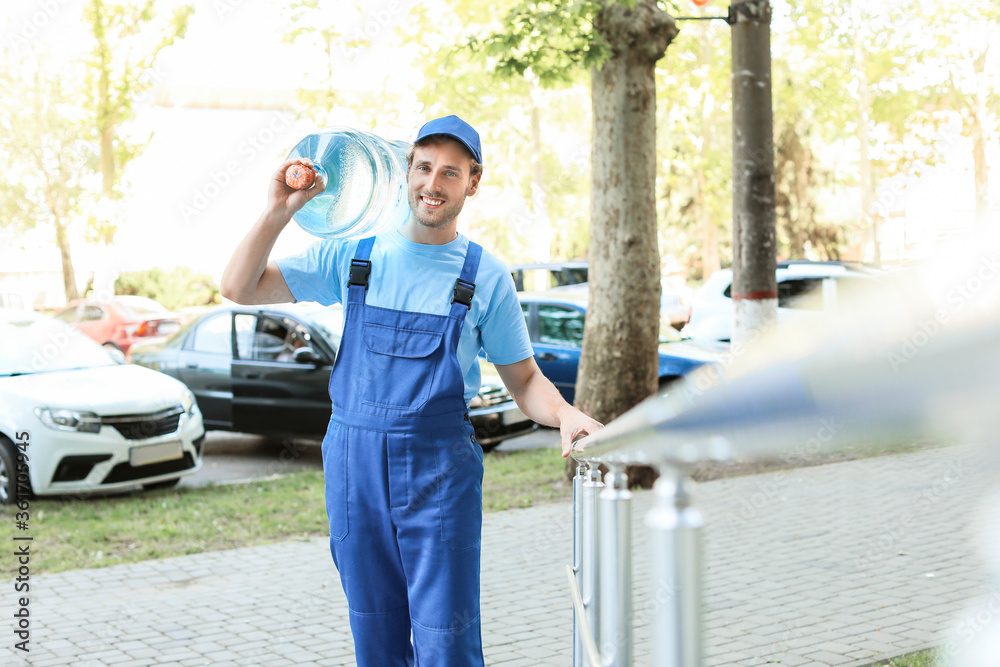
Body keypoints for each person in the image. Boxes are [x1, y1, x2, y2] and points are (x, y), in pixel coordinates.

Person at [220, 114, 602, 666]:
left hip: (438, 475)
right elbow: (238, 286)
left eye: (451, 173)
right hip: (355, 471)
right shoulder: (354, 257)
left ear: (472, 183)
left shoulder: (484, 276)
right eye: (424, 167)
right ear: (405, 171)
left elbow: (524, 381)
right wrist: (279, 211)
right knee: (375, 635)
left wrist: (565, 413)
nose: (432, 183)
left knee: (445, 638)